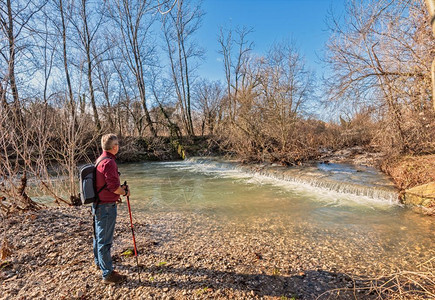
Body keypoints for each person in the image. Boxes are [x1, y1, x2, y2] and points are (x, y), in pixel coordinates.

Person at [93, 133, 129, 284]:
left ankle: (99, 264)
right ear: (114, 147)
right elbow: (114, 188)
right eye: (118, 145)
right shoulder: (109, 163)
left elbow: (107, 185)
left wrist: (120, 189)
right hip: (106, 207)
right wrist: (125, 192)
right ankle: (108, 274)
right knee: (105, 241)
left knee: (98, 238)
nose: (118, 147)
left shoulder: (100, 160)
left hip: (98, 204)